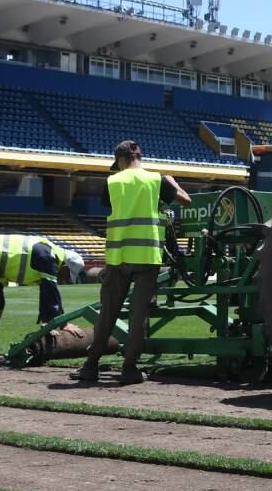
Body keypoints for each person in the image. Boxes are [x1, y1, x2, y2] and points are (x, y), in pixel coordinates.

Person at [74, 140, 191, 385]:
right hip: (148, 257)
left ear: (121, 159)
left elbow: (110, 206)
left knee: (108, 313)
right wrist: (172, 182)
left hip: (118, 257)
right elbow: (186, 200)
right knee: (139, 316)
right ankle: (129, 369)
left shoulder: (112, 182)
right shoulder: (156, 180)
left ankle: (90, 366)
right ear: (138, 156)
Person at [0, 234, 85, 370]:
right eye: (66, 275)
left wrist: (46, 321)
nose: (64, 278)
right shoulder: (48, 256)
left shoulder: (47, 253)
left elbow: (46, 292)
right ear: (65, 266)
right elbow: (52, 293)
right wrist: (63, 323)